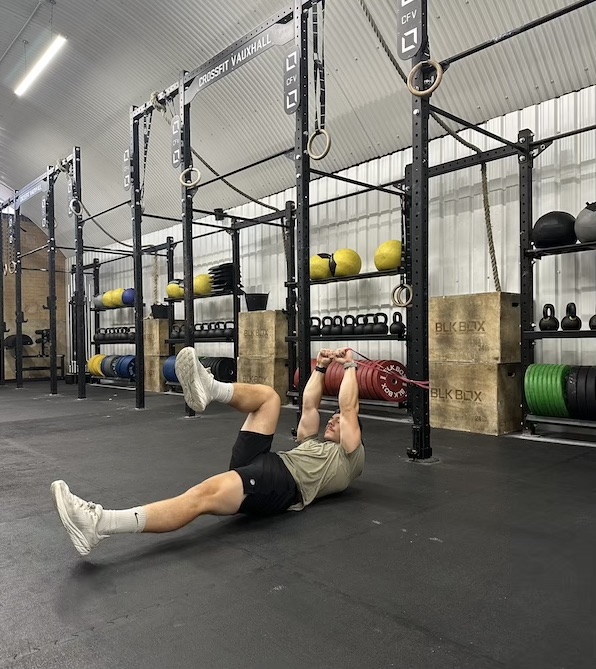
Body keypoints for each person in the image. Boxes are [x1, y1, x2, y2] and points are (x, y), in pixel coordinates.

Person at [51, 347, 365, 557]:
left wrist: (350, 365)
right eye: (333, 417)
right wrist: (322, 367)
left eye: (339, 420)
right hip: (267, 463)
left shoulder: (348, 458)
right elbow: (310, 404)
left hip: (281, 485)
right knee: (270, 398)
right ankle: (210, 388)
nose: (334, 418)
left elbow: (349, 407)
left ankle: (100, 524)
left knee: (201, 495)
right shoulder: (314, 444)